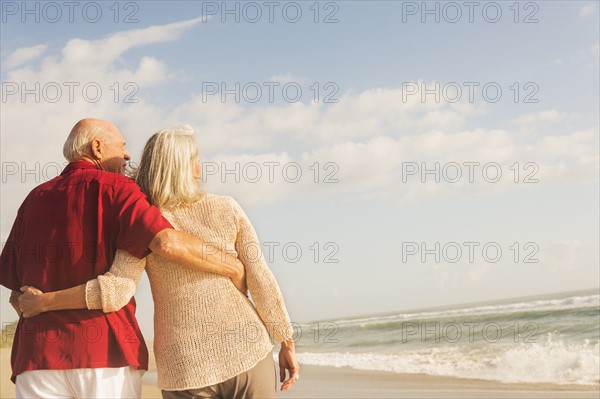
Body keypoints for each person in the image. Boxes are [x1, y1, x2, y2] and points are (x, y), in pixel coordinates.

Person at [19, 125, 300, 398]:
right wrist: (286, 341)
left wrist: (45, 302)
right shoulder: (225, 207)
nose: (201, 169)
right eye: (197, 161)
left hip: (183, 366)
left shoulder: (141, 219)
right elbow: (261, 278)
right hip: (247, 350)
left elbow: (116, 291)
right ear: (183, 166)